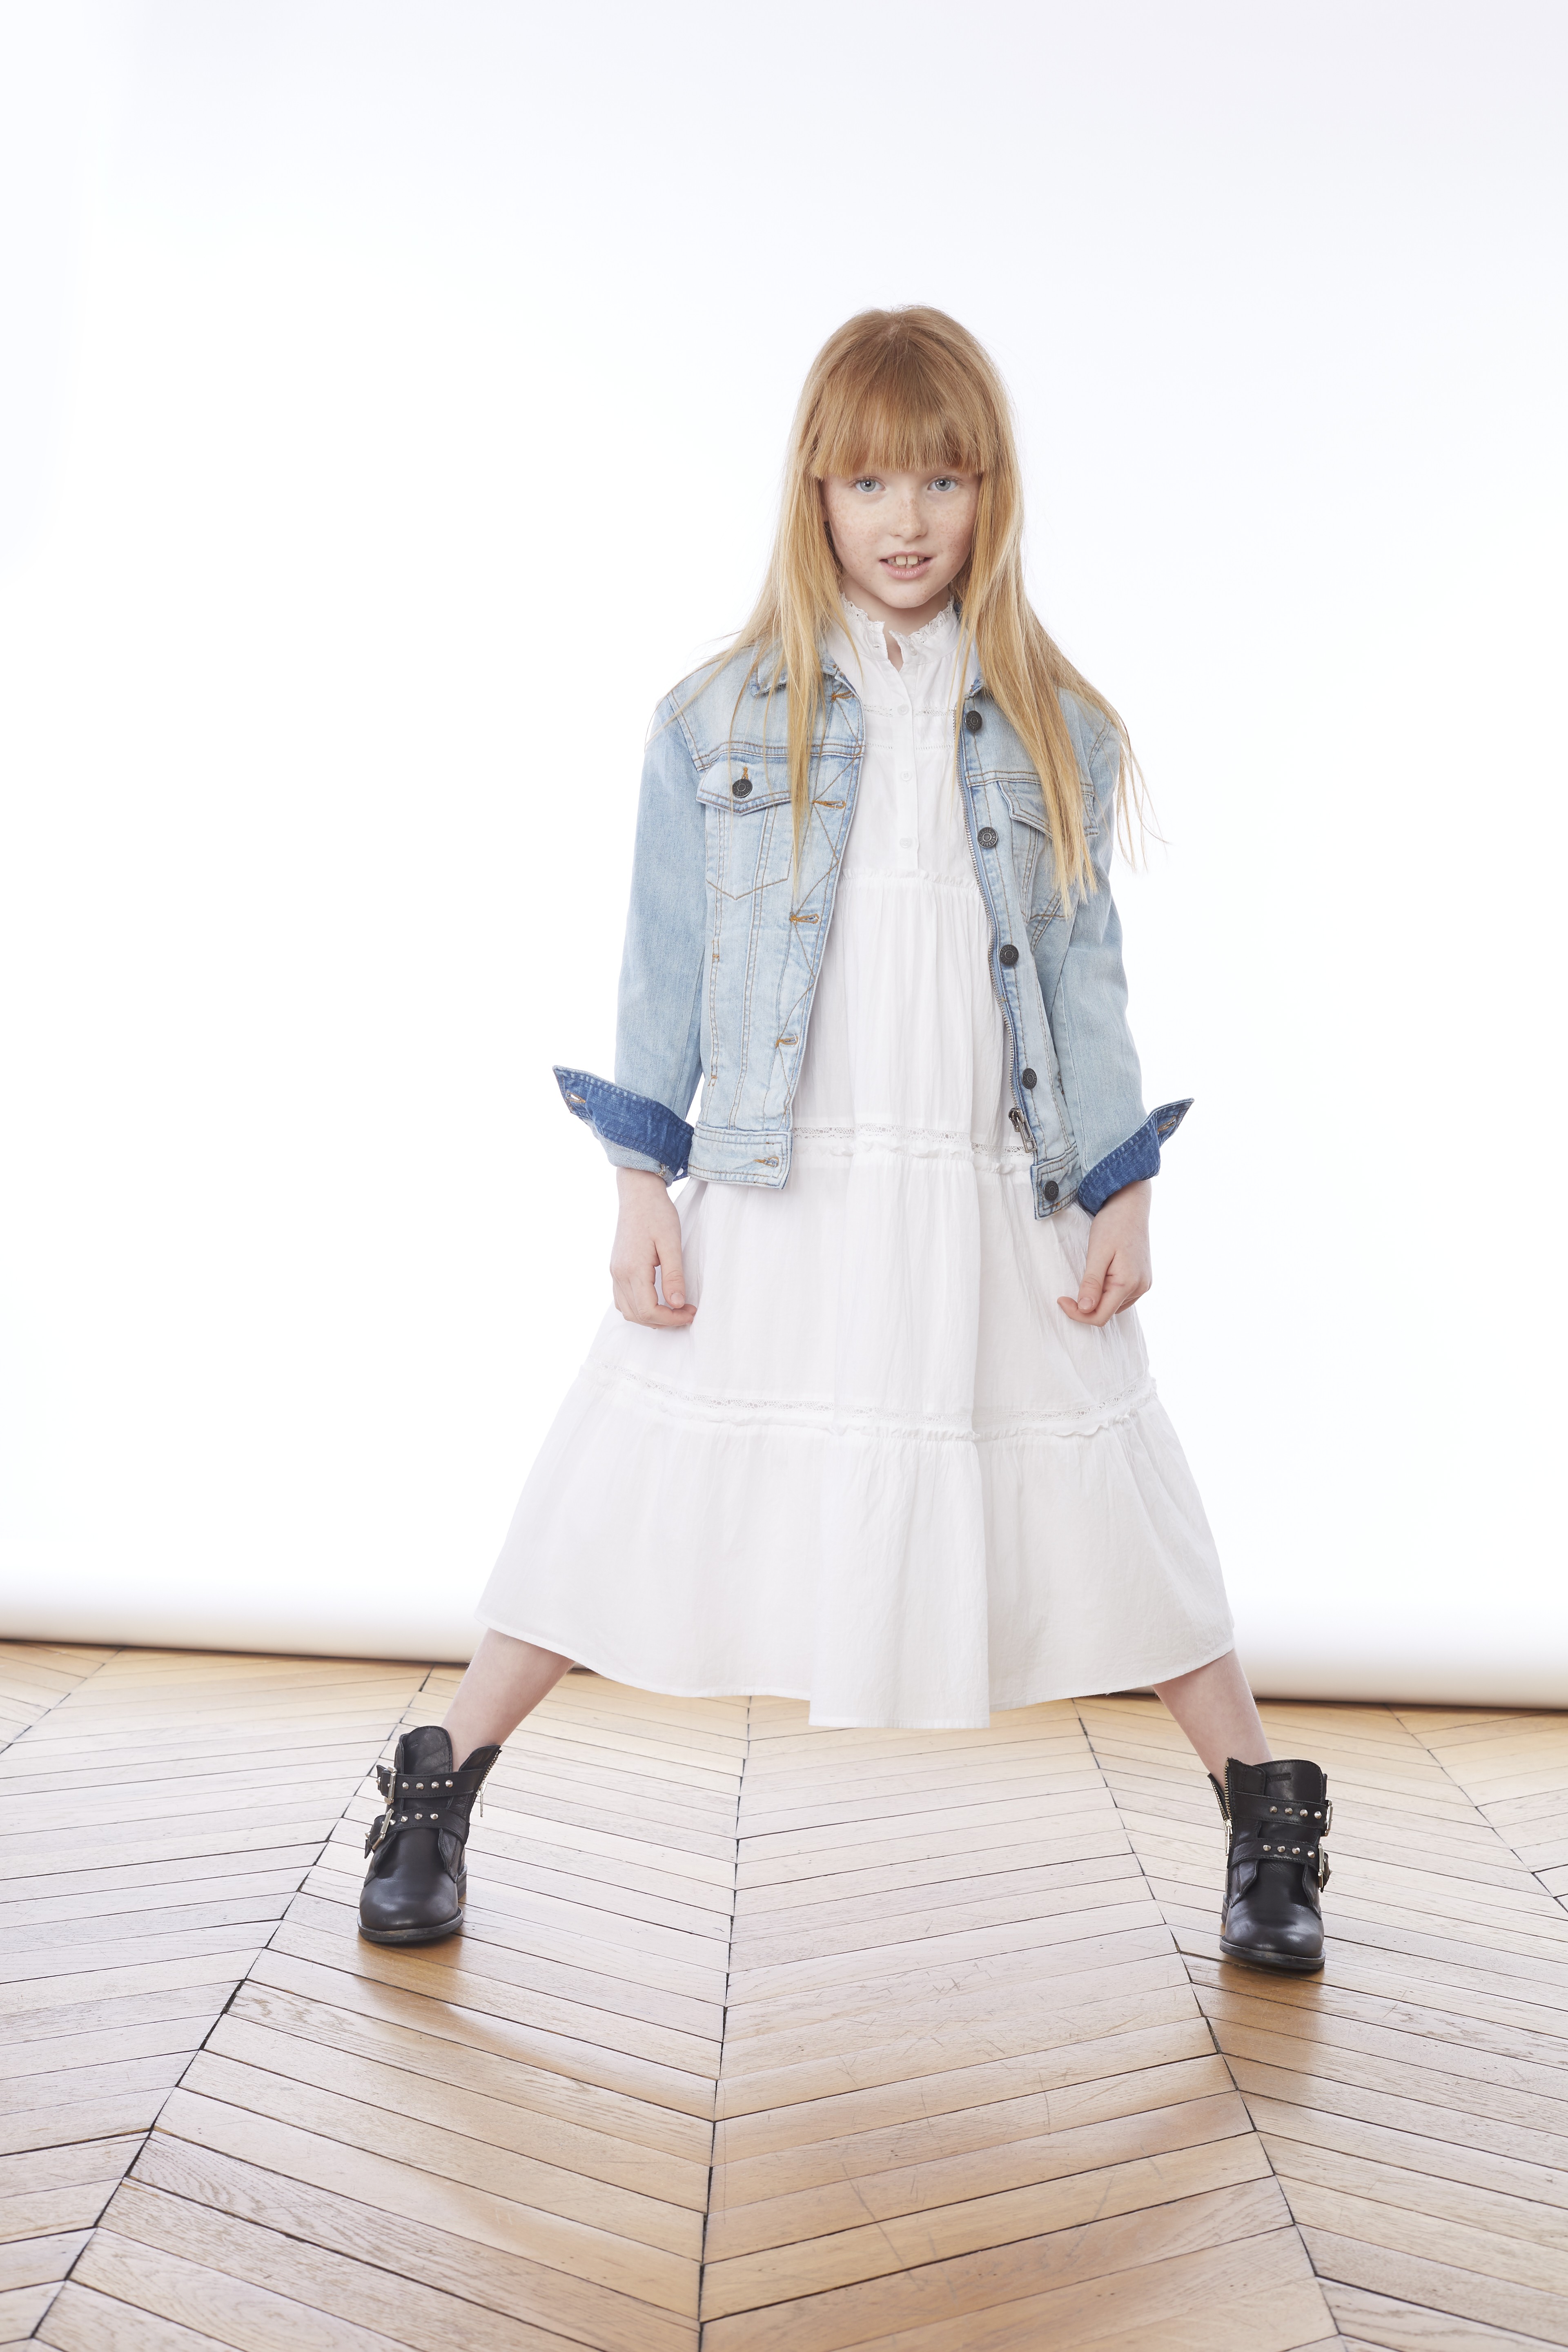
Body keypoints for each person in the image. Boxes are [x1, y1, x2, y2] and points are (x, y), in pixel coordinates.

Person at [358, 307, 1330, 1974]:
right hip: (781, 1175)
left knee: (1112, 1493)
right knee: (624, 1478)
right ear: (814, 491)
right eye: (870, 480)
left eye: (943, 479)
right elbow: (664, 966)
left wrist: (1124, 1183)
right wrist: (640, 1182)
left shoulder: (1056, 724)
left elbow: (1085, 979)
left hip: (985, 1179)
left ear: (991, 493)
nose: (906, 519)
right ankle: (438, 1788)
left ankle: (1267, 1818)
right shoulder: (716, 719)